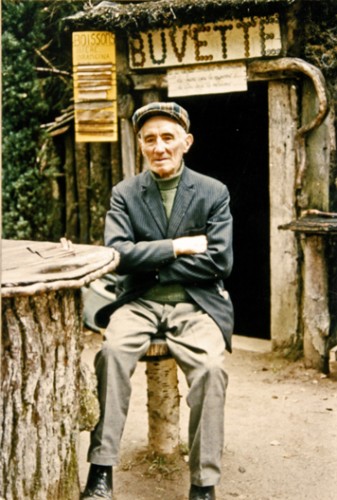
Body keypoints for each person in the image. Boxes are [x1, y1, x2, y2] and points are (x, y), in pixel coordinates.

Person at [82, 102, 234, 500]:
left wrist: (149, 260)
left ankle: (204, 484)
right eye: (150, 139)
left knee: (211, 368)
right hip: (138, 301)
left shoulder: (212, 191)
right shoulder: (125, 194)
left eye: (168, 137)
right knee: (112, 353)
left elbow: (219, 261)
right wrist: (179, 246)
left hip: (195, 303)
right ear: (141, 146)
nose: (159, 146)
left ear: (186, 142)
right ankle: (101, 471)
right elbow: (117, 256)